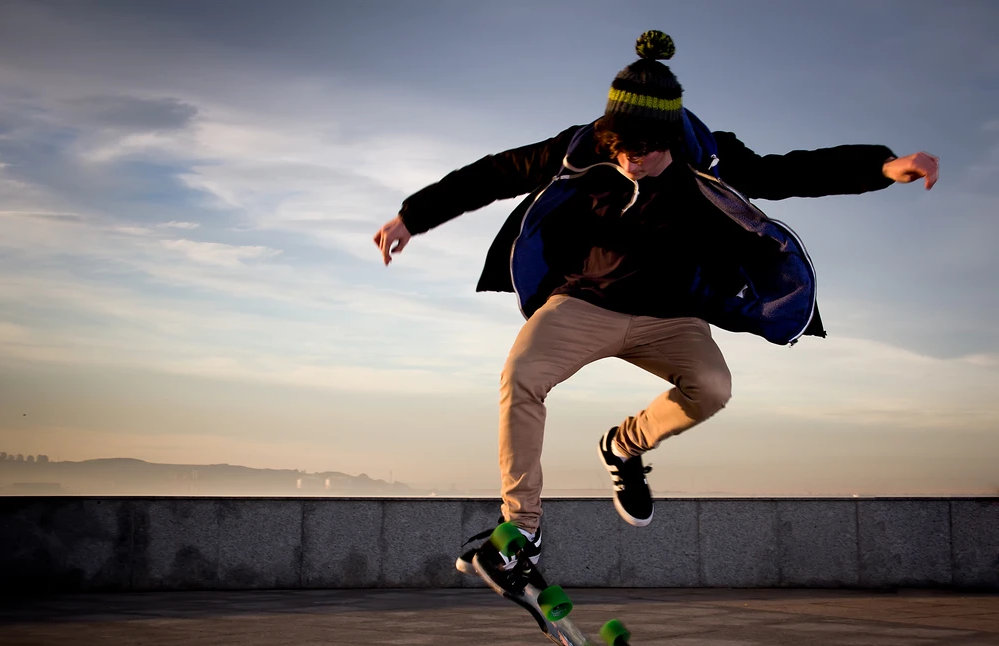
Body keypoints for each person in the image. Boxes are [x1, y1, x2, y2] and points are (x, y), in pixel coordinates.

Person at [373, 30, 939, 573]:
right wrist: (412, 217)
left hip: (673, 315)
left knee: (714, 388)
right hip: (585, 302)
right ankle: (522, 529)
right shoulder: (583, 146)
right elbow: (493, 174)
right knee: (521, 375)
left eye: (641, 153)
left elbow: (785, 170)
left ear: (669, 140)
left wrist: (881, 168)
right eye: (618, 149)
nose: (627, 162)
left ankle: (624, 447)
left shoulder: (710, 157)